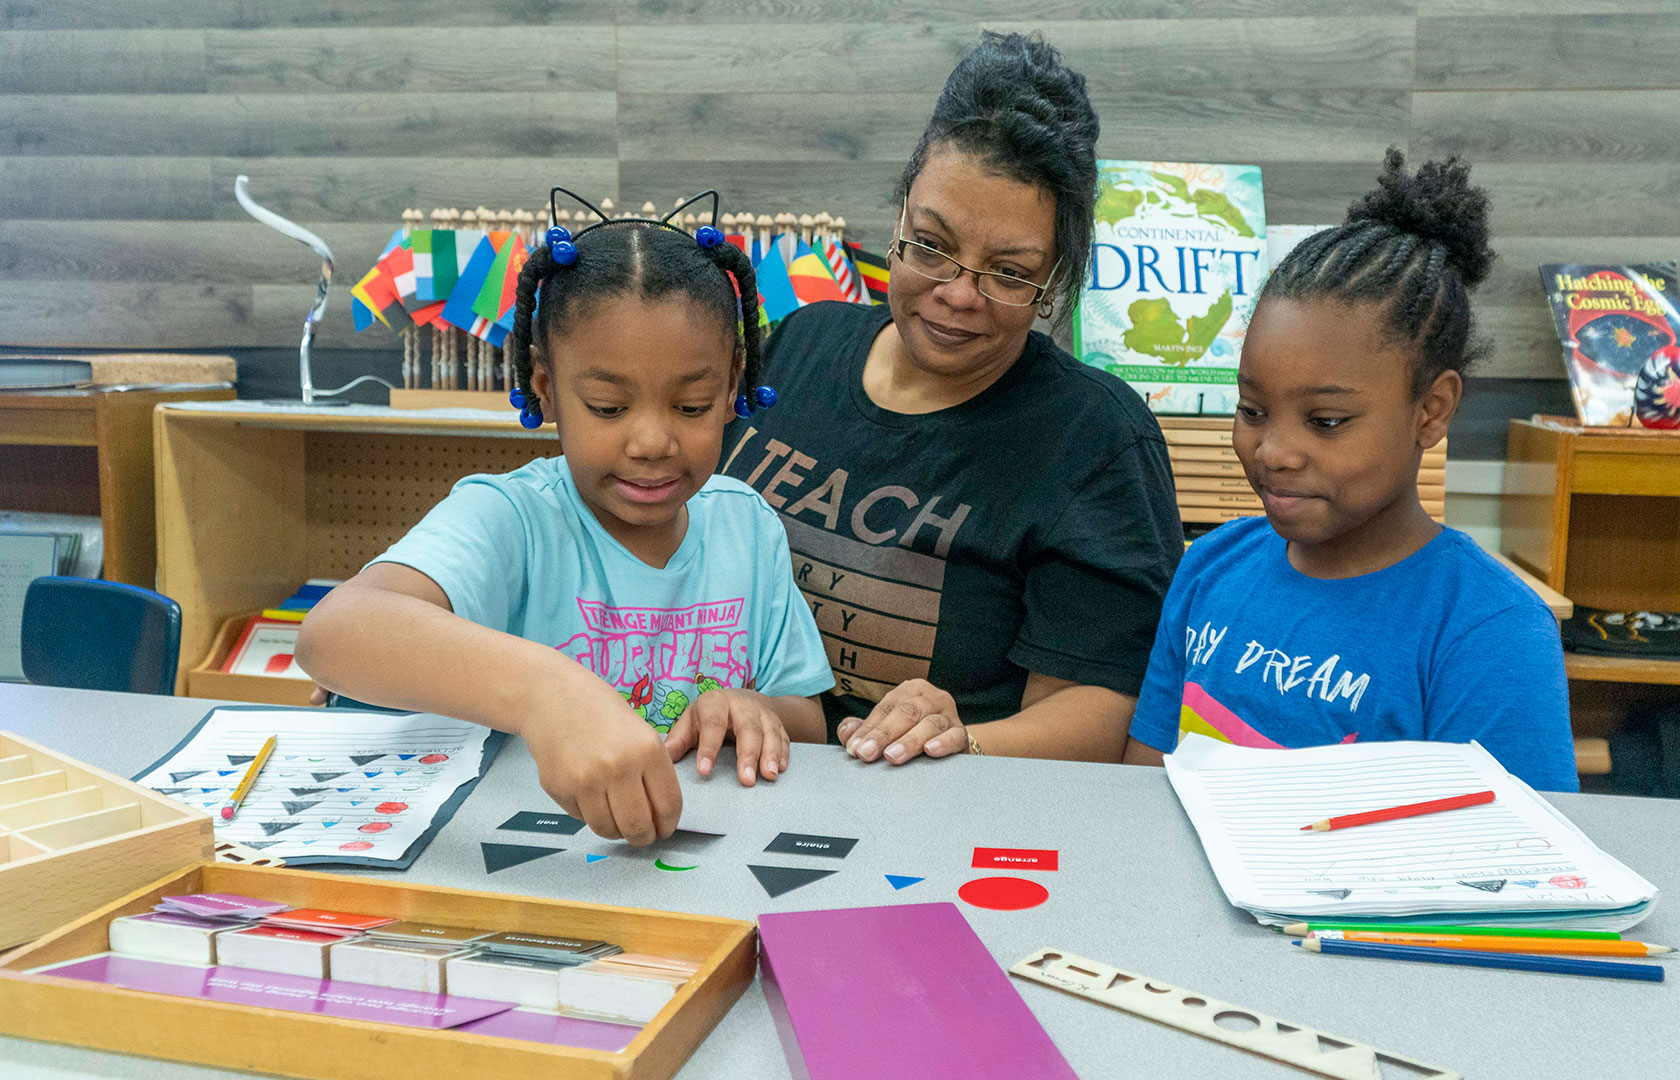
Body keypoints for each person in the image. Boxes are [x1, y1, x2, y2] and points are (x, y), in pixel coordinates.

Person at [297, 204, 836, 845]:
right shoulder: (513, 518)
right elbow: (333, 631)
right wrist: (545, 692)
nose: (652, 442)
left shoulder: (746, 526)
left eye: (692, 406)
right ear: (546, 388)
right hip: (526, 852)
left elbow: (808, 721)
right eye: (607, 407)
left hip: (703, 849)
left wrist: (755, 709)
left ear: (731, 390)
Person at [721, 32, 1185, 767]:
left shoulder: (1096, 440)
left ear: (1054, 278)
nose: (958, 294)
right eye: (932, 246)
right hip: (728, 766)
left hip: (942, 805)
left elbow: (1099, 715)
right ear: (900, 218)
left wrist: (957, 739)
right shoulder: (800, 344)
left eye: (1008, 273)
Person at [1122, 150, 1579, 792]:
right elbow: (1142, 793)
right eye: (1252, 410)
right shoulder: (1208, 569)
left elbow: (1514, 844)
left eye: (1326, 421)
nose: (1274, 451)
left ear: (1431, 411)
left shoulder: (1488, 630)